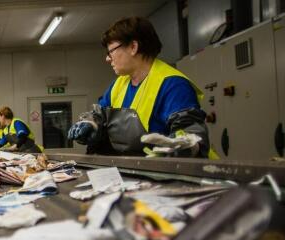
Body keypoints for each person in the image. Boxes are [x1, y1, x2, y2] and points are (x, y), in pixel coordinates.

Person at [67, 17, 215, 158]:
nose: (107, 58)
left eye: (110, 51)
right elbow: (100, 116)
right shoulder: (119, 84)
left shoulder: (173, 85)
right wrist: (91, 124)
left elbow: (191, 135)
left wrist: (181, 147)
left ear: (133, 47)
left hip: (179, 173)